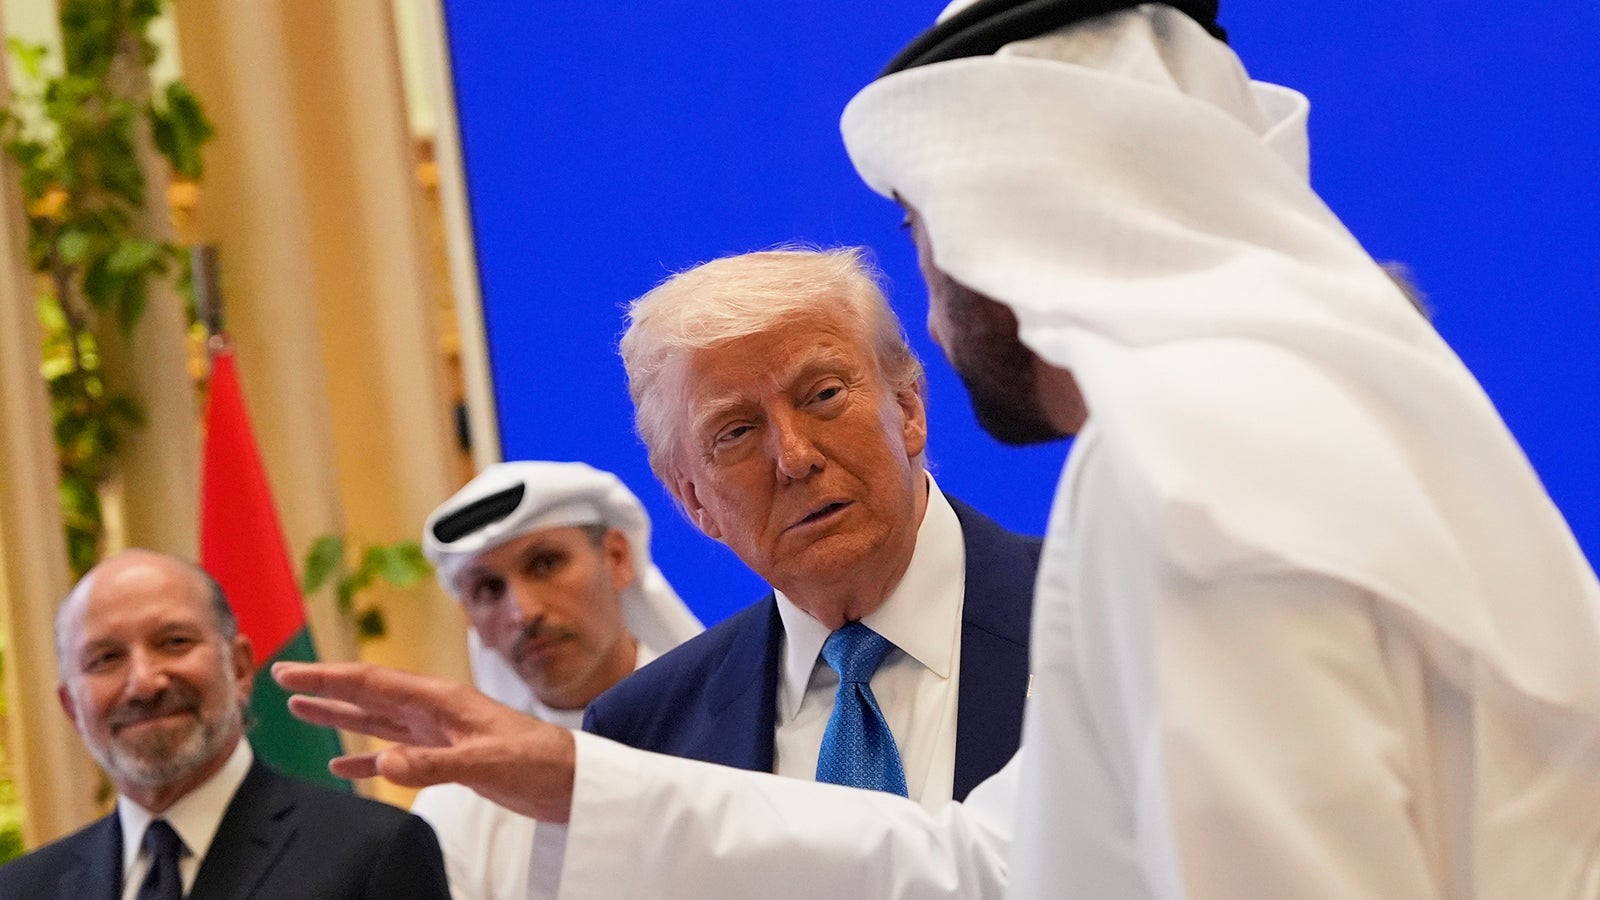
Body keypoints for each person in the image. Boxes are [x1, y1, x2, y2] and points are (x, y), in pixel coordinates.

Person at [275, 2, 1600, 898]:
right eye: (736, 434)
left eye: (923, 235)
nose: (935, 283)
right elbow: (985, 865)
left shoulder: (1197, 463)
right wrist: (577, 776)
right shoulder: (1279, 412)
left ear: (1006, 228)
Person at [581, 247, 1039, 811]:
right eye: (736, 432)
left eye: (824, 395)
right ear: (692, 498)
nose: (795, 458)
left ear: (909, 409)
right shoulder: (642, 743)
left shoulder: (1106, 610)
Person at [0, 548, 451, 900]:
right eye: (106, 658)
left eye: (174, 642)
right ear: (71, 708)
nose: (144, 683)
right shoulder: (22, 890)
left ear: (238, 668)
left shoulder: (372, 852)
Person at [408, 460, 702, 900]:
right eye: (488, 589)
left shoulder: (742, 723)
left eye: (545, 564)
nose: (523, 611)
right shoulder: (458, 800)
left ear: (617, 558)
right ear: (472, 620)